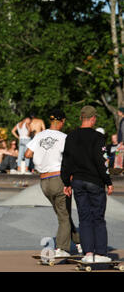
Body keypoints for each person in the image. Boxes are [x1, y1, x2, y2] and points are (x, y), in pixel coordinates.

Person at [61, 105, 114, 263]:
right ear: (93, 119)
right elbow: (101, 161)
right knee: (98, 217)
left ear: (80, 118)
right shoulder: (98, 137)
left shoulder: (71, 136)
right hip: (94, 181)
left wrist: (66, 182)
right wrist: (108, 181)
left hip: (77, 181)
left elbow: (66, 161)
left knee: (84, 218)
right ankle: (101, 253)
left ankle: (88, 253)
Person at [25, 109, 81, 257]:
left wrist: (43, 156)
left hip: (44, 182)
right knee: (64, 216)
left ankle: (79, 242)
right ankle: (62, 248)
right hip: (58, 178)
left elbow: (27, 154)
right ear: (62, 121)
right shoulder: (64, 137)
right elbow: (72, 158)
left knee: (63, 214)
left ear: (50, 121)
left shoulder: (39, 135)